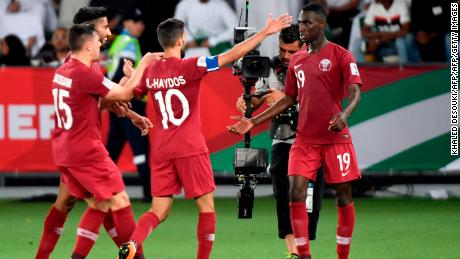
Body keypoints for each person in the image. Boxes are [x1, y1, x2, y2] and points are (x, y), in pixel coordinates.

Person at [117, 13, 293, 259]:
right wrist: (264, 33)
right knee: (206, 207)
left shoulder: (152, 71)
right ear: (180, 41)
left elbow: (131, 93)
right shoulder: (191, 65)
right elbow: (230, 56)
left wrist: (133, 71)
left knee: (160, 208)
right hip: (190, 147)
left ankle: (133, 243)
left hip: (162, 149)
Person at [229, 3, 361, 259]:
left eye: (307, 23)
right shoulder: (297, 61)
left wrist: (344, 114)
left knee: (343, 195)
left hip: (335, 139)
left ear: (321, 25)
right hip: (302, 140)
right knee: (295, 192)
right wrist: (253, 120)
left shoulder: (341, 55)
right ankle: (302, 254)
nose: (302, 27)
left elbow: (355, 91)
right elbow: (288, 98)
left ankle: (342, 255)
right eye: (300, 22)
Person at [34, 7, 150, 259]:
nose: (108, 33)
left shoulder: (68, 66)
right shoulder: (85, 69)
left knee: (87, 203)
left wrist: (132, 115)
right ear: (89, 33)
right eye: (104, 28)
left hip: (65, 145)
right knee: (114, 201)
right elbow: (110, 95)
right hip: (84, 147)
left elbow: (99, 100)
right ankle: (136, 255)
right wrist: (144, 66)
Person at [234, 24, 324, 259]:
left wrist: (286, 99)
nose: (285, 56)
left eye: (291, 52)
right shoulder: (271, 67)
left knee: (309, 200)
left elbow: (321, 103)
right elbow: (260, 95)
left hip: (312, 141)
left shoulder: (317, 65)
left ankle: (304, 251)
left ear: (303, 46)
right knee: (283, 194)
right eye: (282, 50)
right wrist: (248, 101)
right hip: (282, 140)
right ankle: (295, 253)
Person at [106, 7, 152, 202]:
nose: (140, 25)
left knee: (112, 149)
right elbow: (123, 75)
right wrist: (123, 97)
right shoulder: (130, 44)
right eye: (136, 22)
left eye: (141, 22)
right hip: (128, 102)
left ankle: (99, 188)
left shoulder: (119, 41)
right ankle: (148, 193)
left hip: (115, 101)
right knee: (140, 147)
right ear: (126, 24)